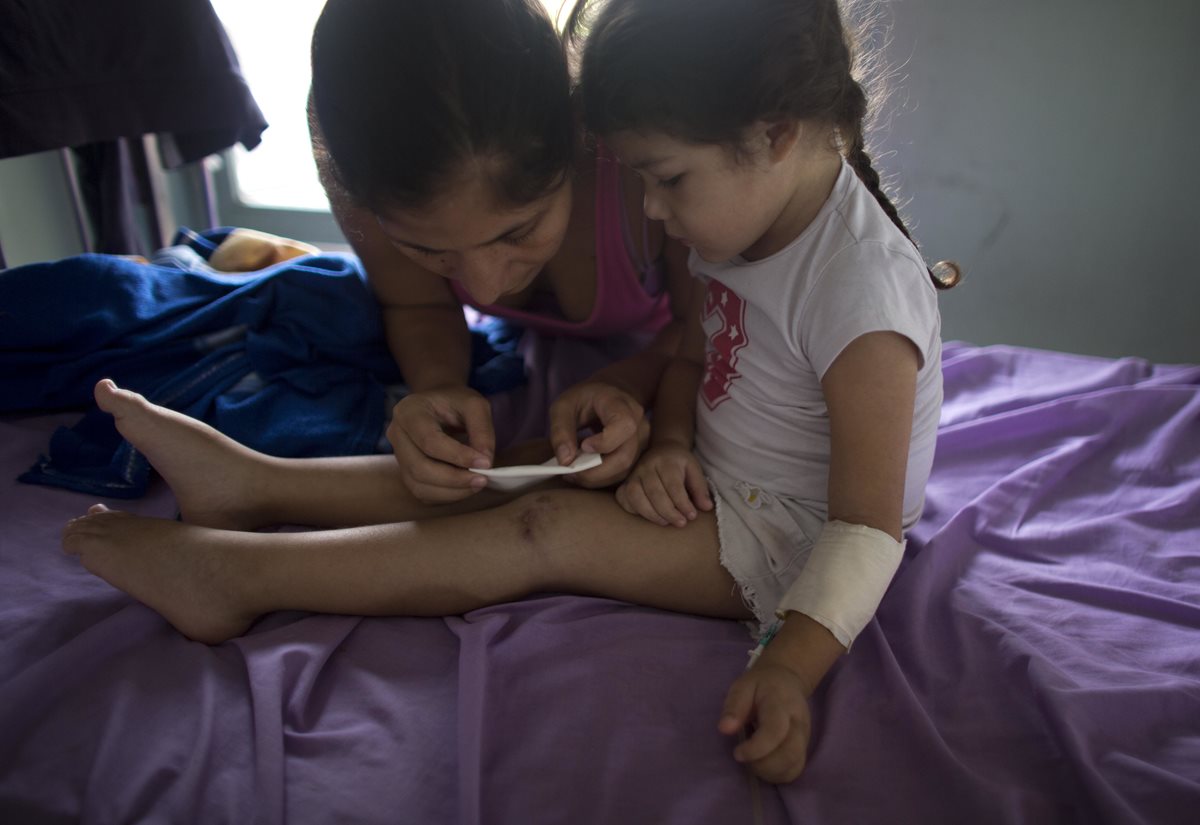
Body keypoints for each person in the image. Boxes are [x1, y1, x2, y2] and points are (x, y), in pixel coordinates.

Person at [62, 0, 959, 784]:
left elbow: (867, 527)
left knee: (542, 527)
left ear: (774, 134)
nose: (651, 210)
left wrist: (793, 664)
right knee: (535, 464)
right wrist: (667, 432)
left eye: (666, 179)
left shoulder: (860, 297)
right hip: (722, 476)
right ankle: (257, 484)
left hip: (788, 539)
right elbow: (695, 354)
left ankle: (235, 575)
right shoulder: (750, 221)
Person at [307, 0, 694, 502]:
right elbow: (418, 304)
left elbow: (709, 322)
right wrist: (438, 385)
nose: (485, 285)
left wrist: (631, 380)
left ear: (578, 132)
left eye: (518, 232)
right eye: (426, 249)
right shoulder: (361, 157)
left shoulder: (639, 153)